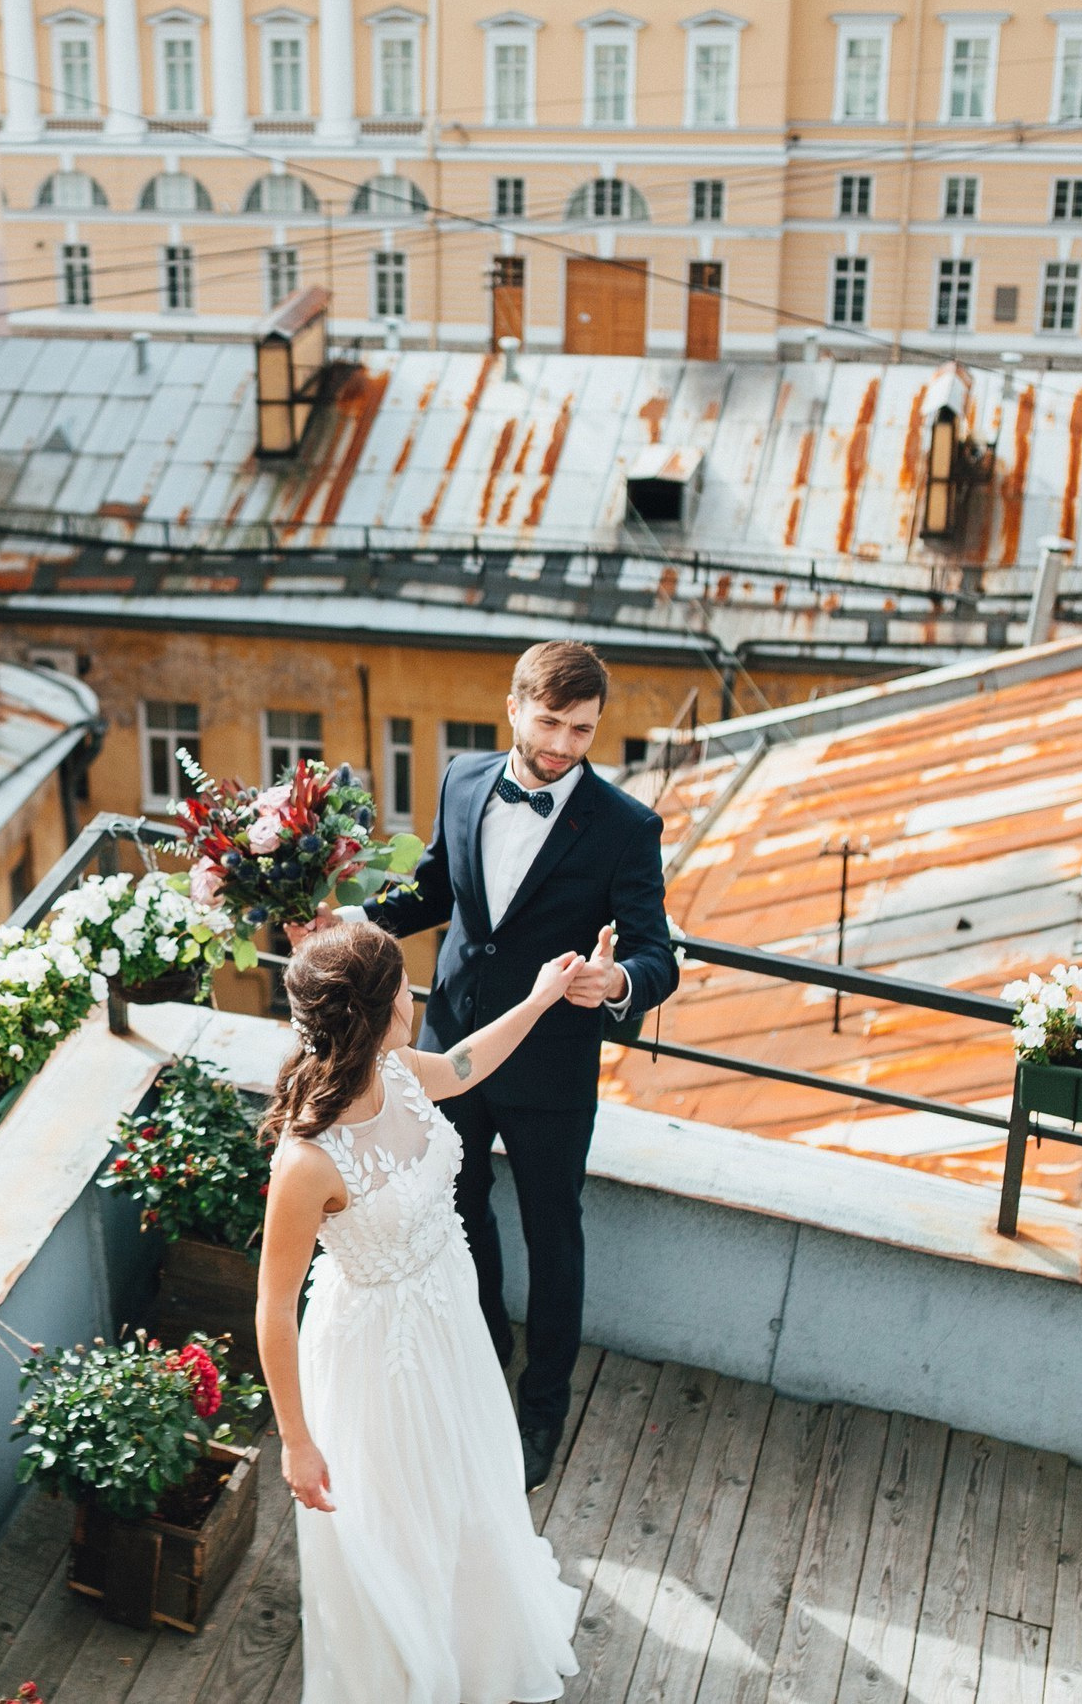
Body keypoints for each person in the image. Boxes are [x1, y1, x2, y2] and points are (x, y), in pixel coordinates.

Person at [295, 639, 677, 1489]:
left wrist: (617, 979)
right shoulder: (464, 779)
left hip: (551, 1070)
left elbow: (660, 958)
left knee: (554, 1234)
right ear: (514, 707)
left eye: (583, 730)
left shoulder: (625, 828)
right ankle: (482, 1354)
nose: (564, 745)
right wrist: (348, 919)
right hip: (449, 1051)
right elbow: (433, 890)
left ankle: (541, 1410)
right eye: (550, 722)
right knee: (457, 1207)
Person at [255, 921, 586, 1704]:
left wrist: (541, 999)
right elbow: (273, 1303)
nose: (415, 991)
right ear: (381, 1008)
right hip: (376, 1353)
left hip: (448, 1319)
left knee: (463, 1485)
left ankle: (473, 1643)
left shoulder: (397, 1068)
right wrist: (297, 1441)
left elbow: (467, 1064)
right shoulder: (308, 1160)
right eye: (403, 983)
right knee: (398, 1515)